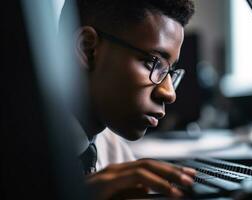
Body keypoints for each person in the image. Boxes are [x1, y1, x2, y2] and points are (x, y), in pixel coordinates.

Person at [59, 0, 196, 199]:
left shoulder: (113, 149)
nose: (169, 93)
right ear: (88, 49)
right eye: (153, 62)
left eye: (170, 71)